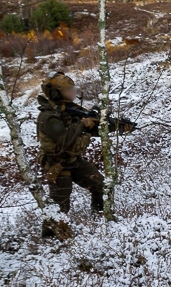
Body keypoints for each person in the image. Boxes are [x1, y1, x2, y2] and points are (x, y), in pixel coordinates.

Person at [35, 72, 133, 214]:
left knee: (101, 187)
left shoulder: (70, 109)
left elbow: (93, 127)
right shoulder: (48, 117)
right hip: (56, 163)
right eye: (68, 90)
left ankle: (99, 217)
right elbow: (64, 140)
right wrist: (82, 124)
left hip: (74, 160)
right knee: (60, 206)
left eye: (72, 89)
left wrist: (117, 126)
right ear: (56, 94)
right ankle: (54, 228)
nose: (72, 93)